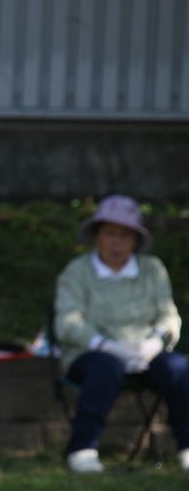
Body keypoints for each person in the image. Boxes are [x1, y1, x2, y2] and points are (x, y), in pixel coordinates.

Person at [54, 194, 189, 473]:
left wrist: (156, 341)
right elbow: (67, 322)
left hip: (145, 353)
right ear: (97, 237)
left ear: (136, 240)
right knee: (105, 368)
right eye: (110, 234)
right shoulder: (77, 272)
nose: (117, 242)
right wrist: (104, 344)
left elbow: (169, 315)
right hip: (91, 354)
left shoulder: (153, 270)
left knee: (178, 368)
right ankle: (83, 449)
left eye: (125, 235)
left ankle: (187, 448)